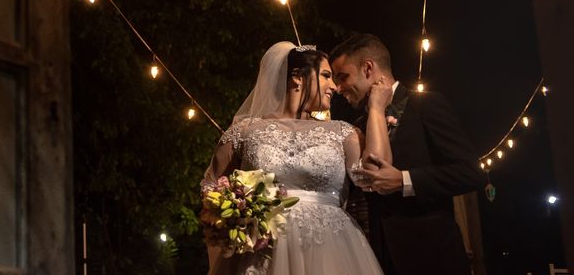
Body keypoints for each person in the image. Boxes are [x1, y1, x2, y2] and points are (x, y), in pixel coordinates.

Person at [202, 41, 391, 274]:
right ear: (297, 77)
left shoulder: (342, 133)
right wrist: (236, 214)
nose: (333, 86)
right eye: (325, 75)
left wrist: (376, 110)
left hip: (330, 249)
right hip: (262, 251)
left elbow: (376, 173)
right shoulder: (245, 132)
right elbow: (210, 186)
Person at [329, 33, 485, 275]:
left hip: (434, 257)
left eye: (343, 77)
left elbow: (471, 173)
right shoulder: (362, 123)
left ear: (368, 68)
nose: (338, 89)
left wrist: (404, 180)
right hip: (380, 258)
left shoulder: (425, 105)